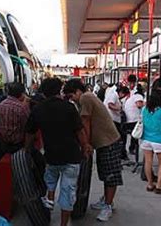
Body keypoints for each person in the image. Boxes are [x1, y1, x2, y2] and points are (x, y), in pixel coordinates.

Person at [25, 77, 92, 226]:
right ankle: (63, 224)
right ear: (59, 90)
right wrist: (85, 146)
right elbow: (80, 131)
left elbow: (30, 133)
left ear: (43, 92)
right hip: (71, 157)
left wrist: (26, 149)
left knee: (50, 182)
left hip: (51, 157)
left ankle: (48, 208)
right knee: (67, 192)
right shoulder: (69, 107)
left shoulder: (38, 109)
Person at [63, 79, 123, 222]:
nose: (71, 99)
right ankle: (106, 200)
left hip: (108, 141)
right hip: (103, 142)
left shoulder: (85, 98)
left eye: (72, 96)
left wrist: (86, 145)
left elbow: (85, 123)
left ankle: (108, 206)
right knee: (104, 173)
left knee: (110, 175)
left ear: (78, 91)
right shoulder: (86, 97)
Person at [0, 82, 30, 155]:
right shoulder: (22, 107)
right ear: (22, 93)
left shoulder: (0, 105)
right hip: (18, 145)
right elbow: (28, 126)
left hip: (3, 143)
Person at [104, 86, 130, 160]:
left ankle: (120, 153)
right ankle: (119, 154)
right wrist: (120, 109)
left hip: (114, 119)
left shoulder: (115, 95)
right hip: (112, 120)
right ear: (121, 93)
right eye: (124, 95)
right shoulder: (114, 95)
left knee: (120, 137)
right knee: (119, 137)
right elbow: (110, 105)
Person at [123, 84, 145, 155]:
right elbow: (139, 105)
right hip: (132, 121)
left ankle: (134, 147)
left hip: (127, 121)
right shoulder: (139, 96)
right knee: (139, 130)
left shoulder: (131, 98)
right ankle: (133, 148)